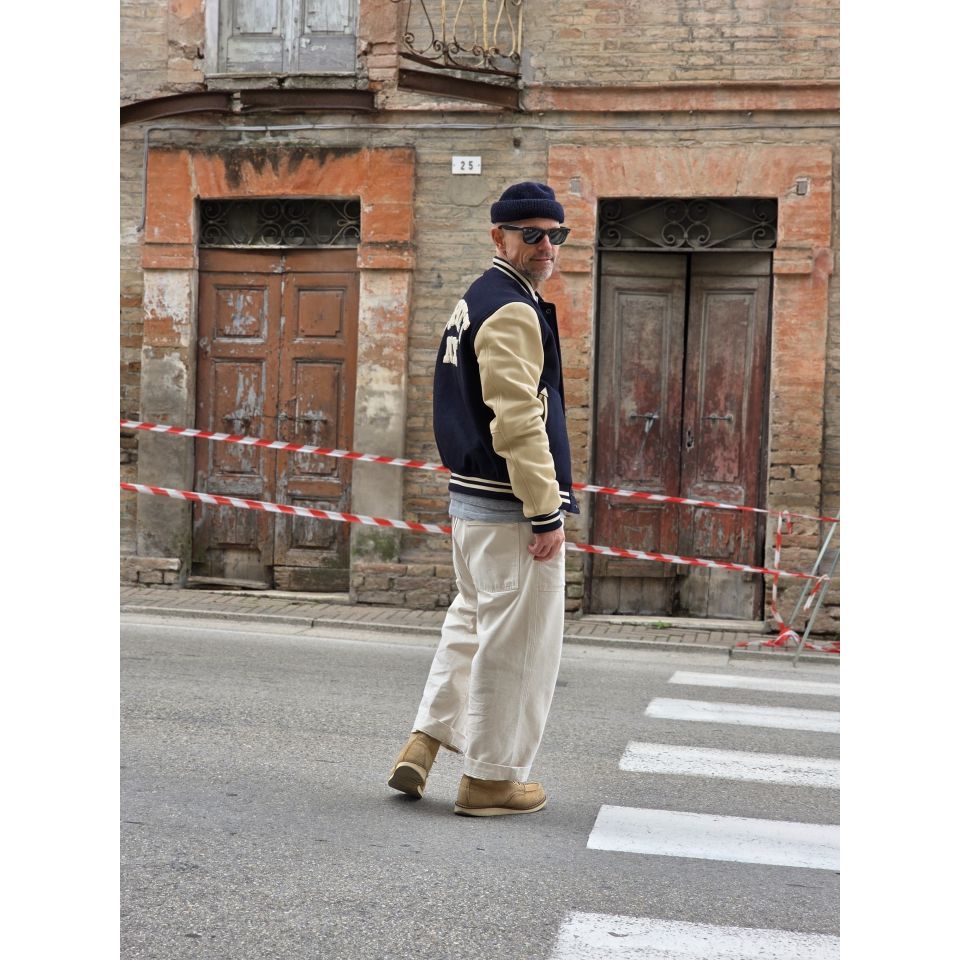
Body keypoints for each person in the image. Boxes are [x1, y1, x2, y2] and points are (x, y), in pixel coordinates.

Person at [388, 181, 579, 817]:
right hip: (509, 510)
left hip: (471, 507)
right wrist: (545, 512)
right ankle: (492, 781)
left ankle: (424, 742)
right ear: (499, 236)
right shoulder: (512, 309)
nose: (546, 245)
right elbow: (518, 422)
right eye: (532, 234)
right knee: (517, 648)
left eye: (555, 234)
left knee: (471, 627)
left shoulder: (475, 298)